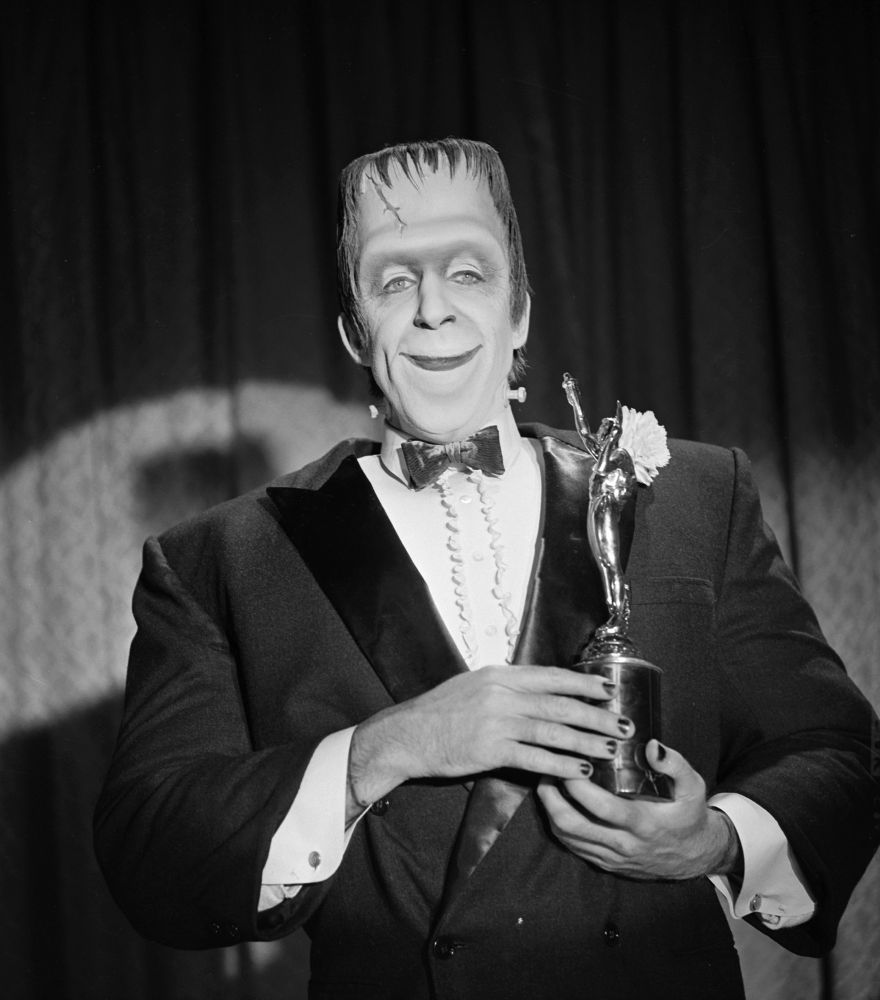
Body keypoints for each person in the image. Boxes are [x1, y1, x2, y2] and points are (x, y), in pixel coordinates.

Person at [94, 138, 879, 1000]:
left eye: (467, 273)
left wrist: (716, 841)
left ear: (520, 311)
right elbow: (150, 849)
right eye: (394, 281)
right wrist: (387, 748)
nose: (433, 309)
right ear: (355, 332)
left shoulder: (692, 493)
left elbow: (839, 752)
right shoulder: (221, 559)